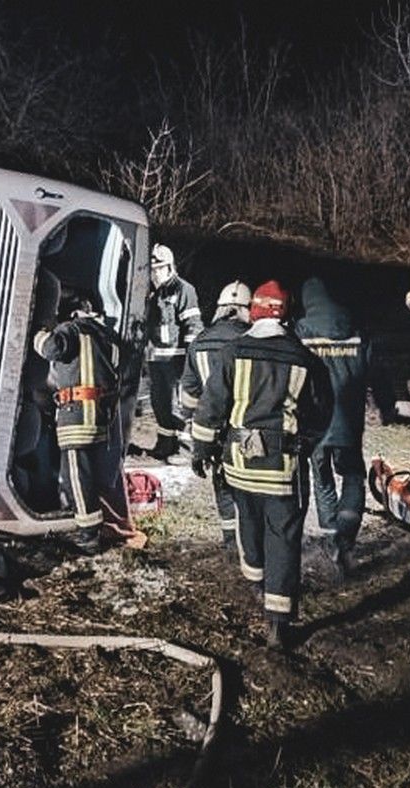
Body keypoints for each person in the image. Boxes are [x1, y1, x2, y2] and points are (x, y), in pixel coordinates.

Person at [187, 280, 333, 649]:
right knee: (283, 537)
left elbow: (211, 405)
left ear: (254, 311)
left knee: (248, 523)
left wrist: (201, 449)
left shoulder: (232, 352)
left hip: (239, 465)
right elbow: (321, 413)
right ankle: (278, 623)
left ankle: (255, 580)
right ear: (287, 314)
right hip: (283, 469)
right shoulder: (306, 360)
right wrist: (304, 444)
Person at [32, 281, 142, 555]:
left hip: (76, 416)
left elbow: (52, 349)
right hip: (101, 416)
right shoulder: (107, 335)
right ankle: (96, 524)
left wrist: (38, 332)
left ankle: (88, 536)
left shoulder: (71, 330)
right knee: (90, 473)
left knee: (76, 476)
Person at [294, 277, 393, 578]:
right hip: (348, 421)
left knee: (321, 475)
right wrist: (386, 406)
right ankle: (345, 537)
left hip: (315, 421)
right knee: (353, 477)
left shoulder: (301, 331)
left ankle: (330, 535)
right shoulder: (356, 331)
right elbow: (377, 373)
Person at [178, 280, 251, 555]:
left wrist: (194, 431)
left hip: (213, 429)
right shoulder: (253, 340)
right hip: (248, 428)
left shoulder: (200, 342)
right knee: (250, 487)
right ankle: (251, 542)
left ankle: (231, 541)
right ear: (246, 309)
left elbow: (189, 394)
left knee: (222, 481)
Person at [145, 243, 201, 461]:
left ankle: (185, 450)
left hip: (176, 360)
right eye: (152, 270)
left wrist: (190, 359)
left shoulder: (183, 290)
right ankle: (165, 444)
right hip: (155, 359)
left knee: (179, 405)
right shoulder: (151, 293)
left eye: (159, 269)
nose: (155, 274)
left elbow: (193, 324)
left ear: (170, 267)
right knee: (160, 403)